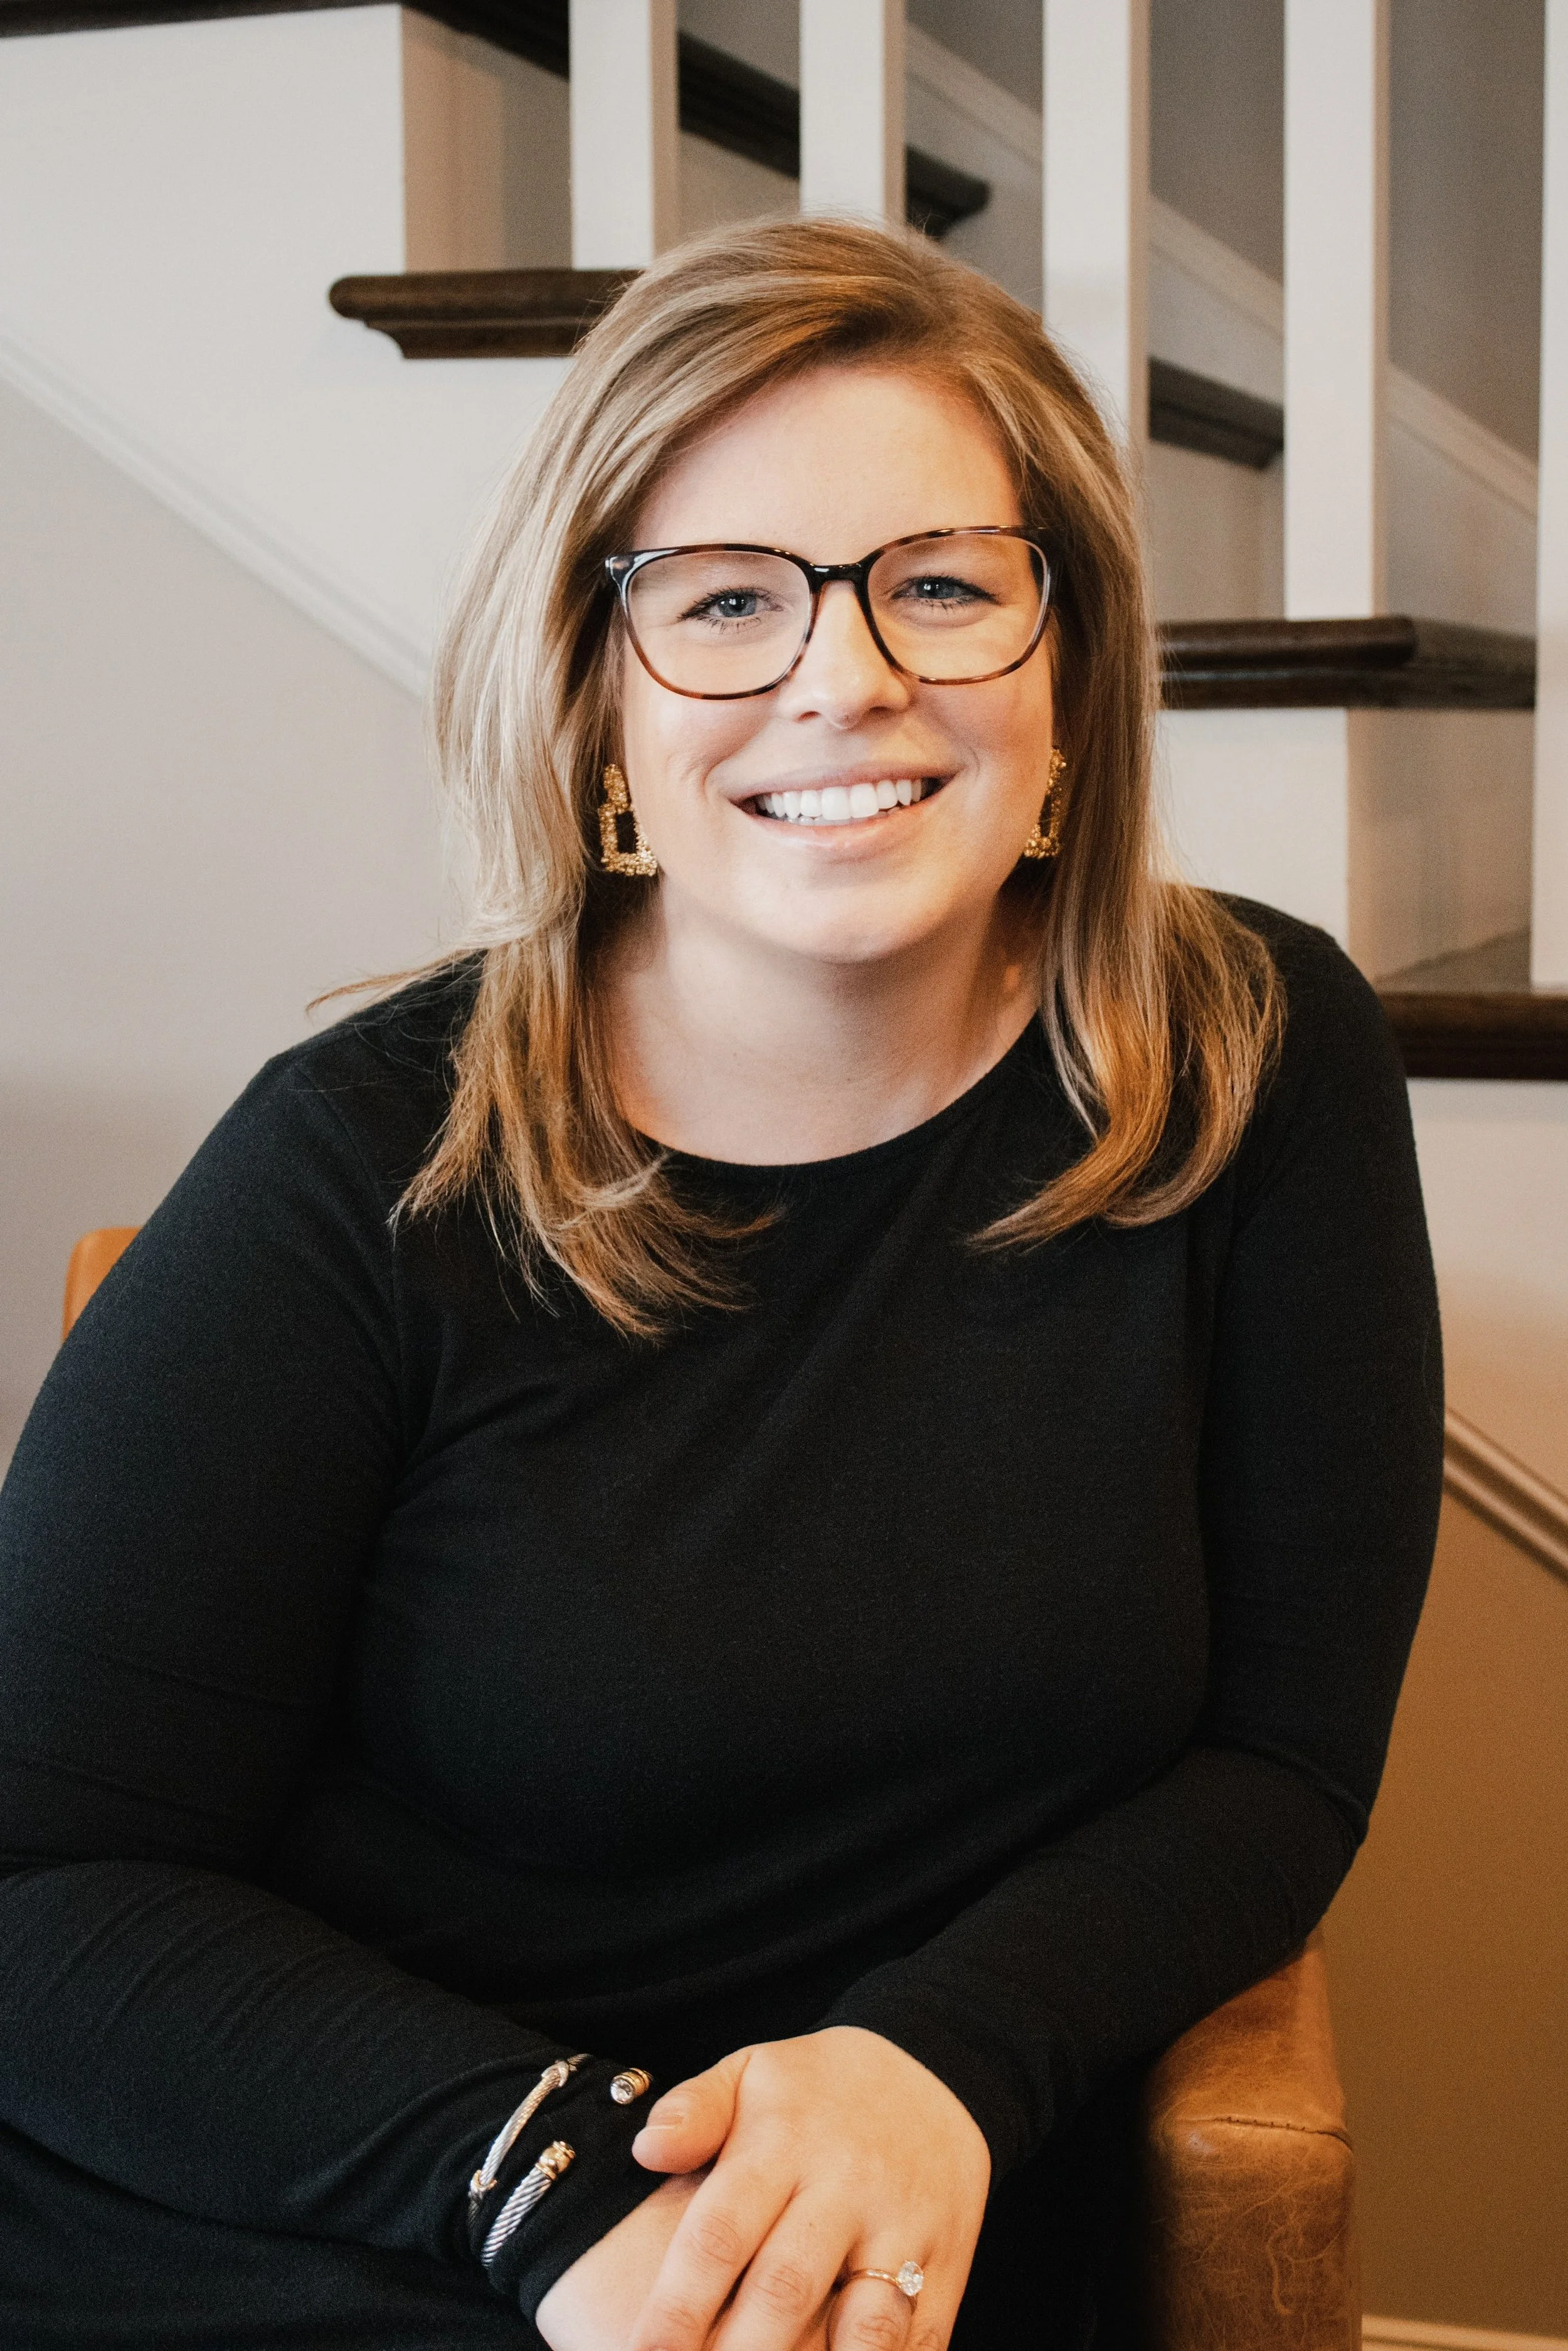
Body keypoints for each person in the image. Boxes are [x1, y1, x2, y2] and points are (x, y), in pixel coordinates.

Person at [0, 217, 1443, 2351]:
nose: (841, 675)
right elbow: (40, 1879)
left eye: (938, 582)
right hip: (346, 2199)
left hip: (886, 2233)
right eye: (725, 603)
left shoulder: (1254, 1060)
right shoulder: (360, 1158)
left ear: (1067, 668)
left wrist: (941, 2059)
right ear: (597, 705)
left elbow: (1276, 1766)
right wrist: (547, 2180)